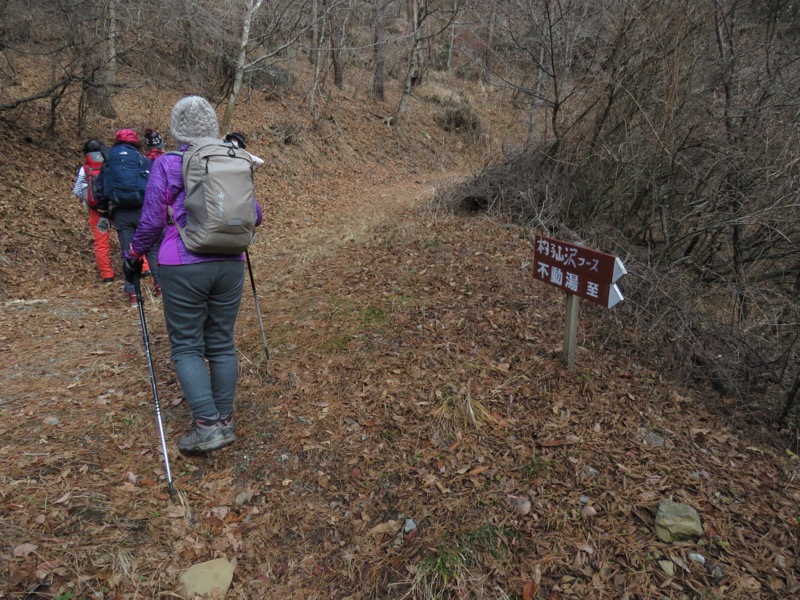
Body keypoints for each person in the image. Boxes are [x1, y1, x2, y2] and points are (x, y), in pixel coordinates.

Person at [123, 96, 263, 454]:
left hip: (182, 262)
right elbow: (255, 214)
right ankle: (225, 419)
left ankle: (207, 425)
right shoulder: (234, 159)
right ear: (213, 125)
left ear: (177, 129)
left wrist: (134, 254)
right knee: (221, 342)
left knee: (187, 345)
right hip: (229, 260)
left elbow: (153, 218)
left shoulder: (169, 163)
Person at [95, 128, 161, 306]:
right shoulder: (141, 158)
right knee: (151, 250)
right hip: (142, 210)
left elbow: (100, 189)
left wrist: (103, 213)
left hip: (120, 213)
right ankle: (160, 286)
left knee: (128, 252)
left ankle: (133, 295)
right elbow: (153, 184)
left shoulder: (109, 159)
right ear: (135, 141)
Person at [72, 139, 115, 282]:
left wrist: (88, 198)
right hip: (115, 207)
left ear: (86, 153)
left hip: (97, 211)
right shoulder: (110, 163)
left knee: (101, 243)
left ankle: (107, 275)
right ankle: (144, 268)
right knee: (128, 237)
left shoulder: (85, 169)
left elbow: (77, 191)